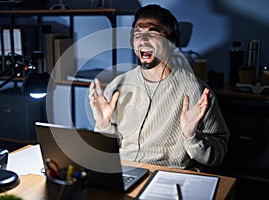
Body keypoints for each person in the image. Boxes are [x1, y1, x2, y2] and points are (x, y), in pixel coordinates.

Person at [88, 4, 229, 171]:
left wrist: (191, 136)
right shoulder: (118, 85)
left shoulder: (196, 91)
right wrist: (103, 124)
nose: (143, 40)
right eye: (137, 34)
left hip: (168, 177)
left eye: (153, 33)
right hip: (124, 173)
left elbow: (218, 155)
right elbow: (109, 150)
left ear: (172, 42)